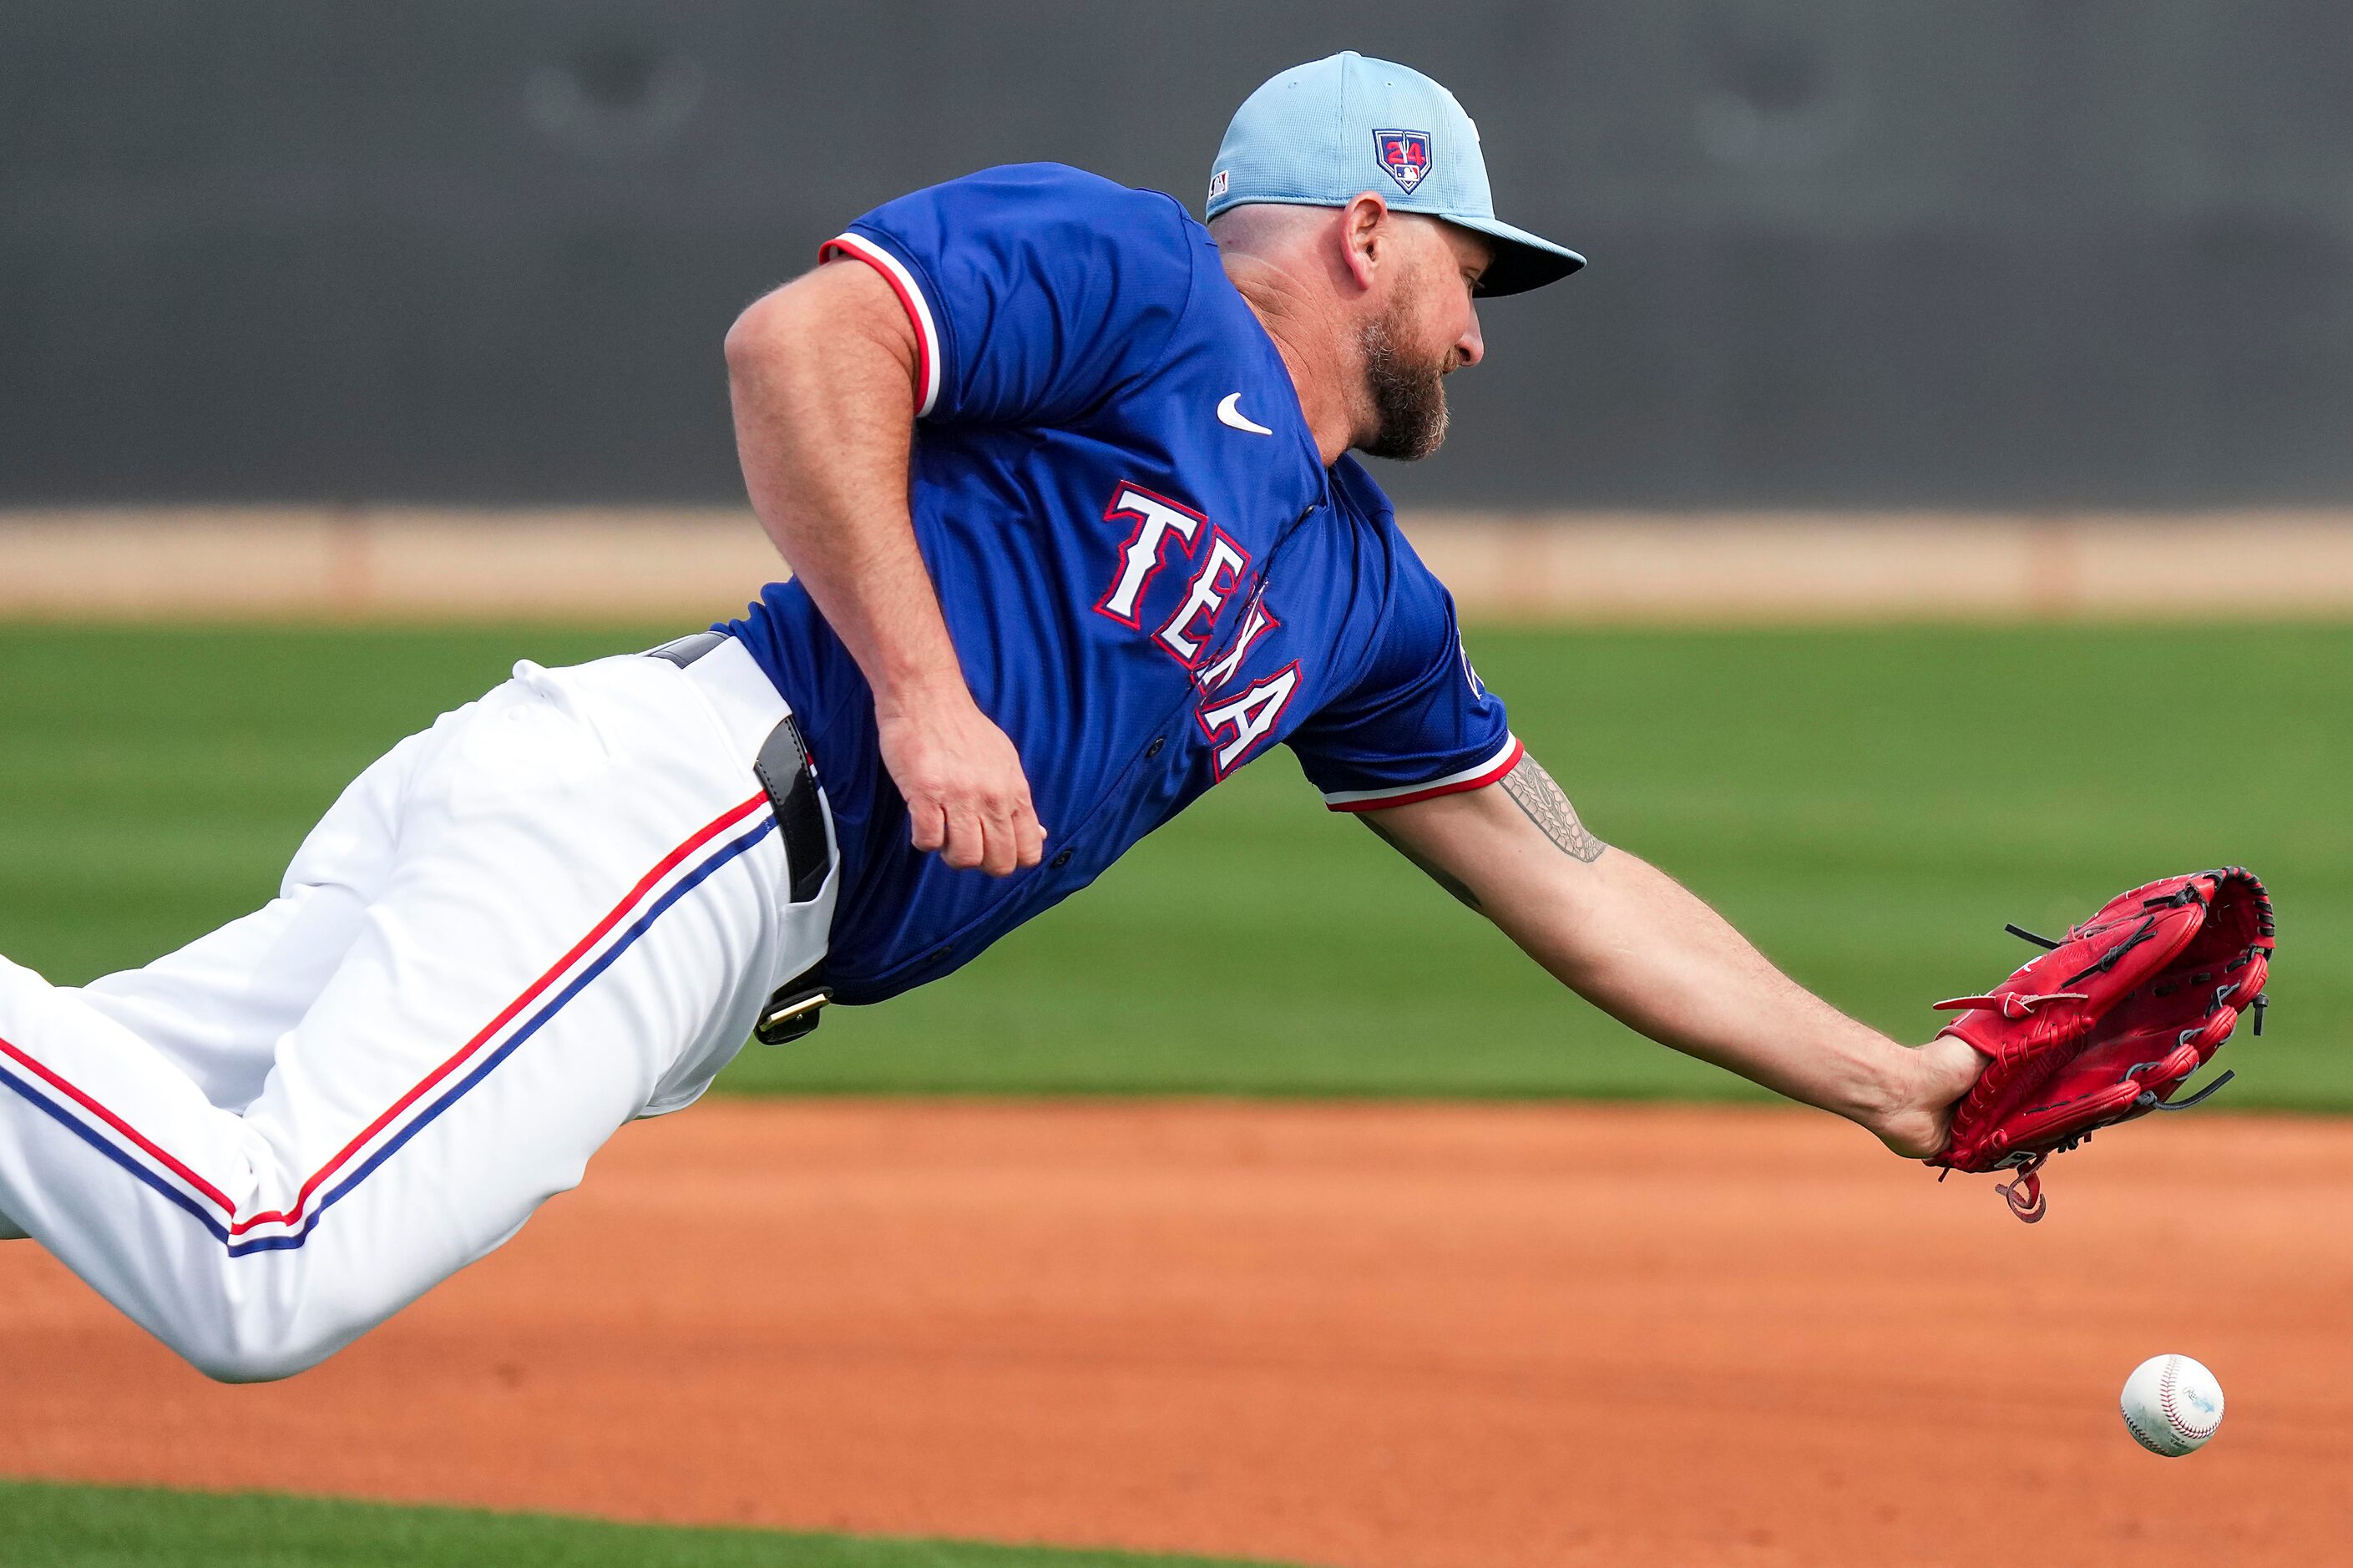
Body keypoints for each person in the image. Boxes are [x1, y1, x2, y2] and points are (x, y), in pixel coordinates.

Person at [0, 53, 1982, 1383]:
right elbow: (803, 340)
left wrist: (1886, 1083)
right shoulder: (1135, 273)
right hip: (677, 811)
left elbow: (1577, 880)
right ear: (1366, 232)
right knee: (262, 1274)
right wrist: (926, 693)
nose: (1478, 326)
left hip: (688, 879)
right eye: (1472, 269)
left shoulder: (1367, 592)